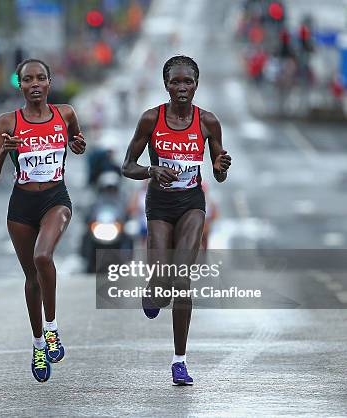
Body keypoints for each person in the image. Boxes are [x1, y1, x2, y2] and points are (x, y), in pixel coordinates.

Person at [121, 55, 231, 386]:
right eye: (175, 82)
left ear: (196, 85)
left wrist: (221, 167)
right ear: (166, 85)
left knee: (182, 279)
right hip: (159, 205)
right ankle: (154, 291)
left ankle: (179, 361)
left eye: (188, 82)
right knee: (161, 284)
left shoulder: (208, 122)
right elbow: (127, 165)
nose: (182, 88)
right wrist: (151, 169)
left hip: (192, 204)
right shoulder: (151, 119)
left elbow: (219, 171)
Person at [0, 58, 86, 382]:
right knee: (31, 277)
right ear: (20, 85)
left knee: (44, 256)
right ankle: (38, 343)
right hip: (21, 205)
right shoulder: (7, 121)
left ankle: (52, 327)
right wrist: (3, 151)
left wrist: (77, 144)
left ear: (49, 83)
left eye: (41, 78)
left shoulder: (65, 114)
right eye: (28, 79)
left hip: (56, 198)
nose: (35, 84)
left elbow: (77, 142)